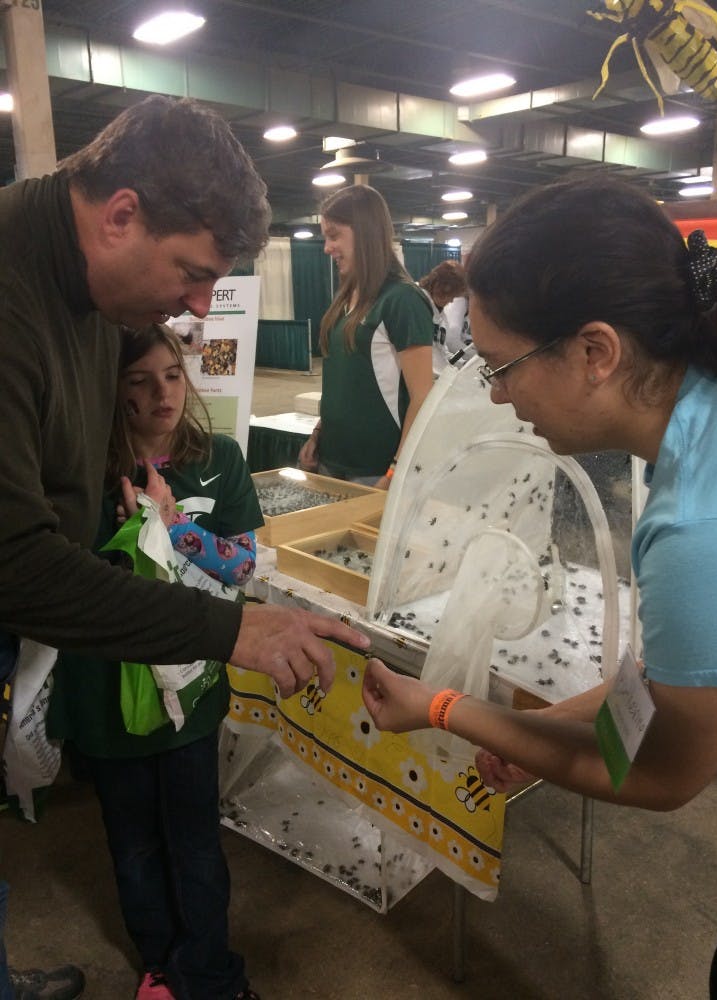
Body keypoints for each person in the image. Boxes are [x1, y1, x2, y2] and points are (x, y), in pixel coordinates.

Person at [0, 95, 369, 1000]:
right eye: (194, 272)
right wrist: (232, 630)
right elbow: (13, 559)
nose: (201, 307)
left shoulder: (90, 284)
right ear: (121, 213)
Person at [360, 176, 717, 998]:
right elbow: (658, 693)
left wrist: (443, 709)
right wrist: (540, 729)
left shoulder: (702, 531)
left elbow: (660, 772)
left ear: (595, 353)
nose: (496, 394)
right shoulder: (715, 417)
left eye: (503, 367)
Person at [48, 324, 263, 1000]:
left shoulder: (218, 458)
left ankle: (208, 972)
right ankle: (160, 966)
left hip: (190, 692)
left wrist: (178, 530)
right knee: (133, 839)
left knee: (196, 838)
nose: (161, 393)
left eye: (172, 375)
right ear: (113, 392)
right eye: (140, 381)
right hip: (106, 689)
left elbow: (245, 562)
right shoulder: (80, 469)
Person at [297, 184, 434, 489]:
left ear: (365, 232)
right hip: (331, 461)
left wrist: (395, 470)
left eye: (334, 236)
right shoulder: (344, 300)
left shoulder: (402, 300)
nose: (327, 248)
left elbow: (422, 396)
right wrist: (318, 434)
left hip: (375, 469)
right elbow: (342, 383)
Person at [417, 259, 469, 373]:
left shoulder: (439, 312)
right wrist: (452, 372)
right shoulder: (417, 305)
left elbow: (442, 350)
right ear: (443, 288)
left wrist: (463, 364)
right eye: (452, 295)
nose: (451, 301)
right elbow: (430, 357)